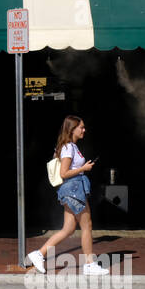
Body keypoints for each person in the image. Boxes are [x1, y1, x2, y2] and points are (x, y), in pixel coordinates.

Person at [27, 115, 109, 275]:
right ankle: (90, 264)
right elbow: (63, 173)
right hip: (74, 189)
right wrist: (83, 169)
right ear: (72, 129)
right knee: (87, 225)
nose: (84, 130)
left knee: (68, 229)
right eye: (81, 127)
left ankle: (38, 254)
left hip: (72, 189)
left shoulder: (70, 146)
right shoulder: (68, 148)